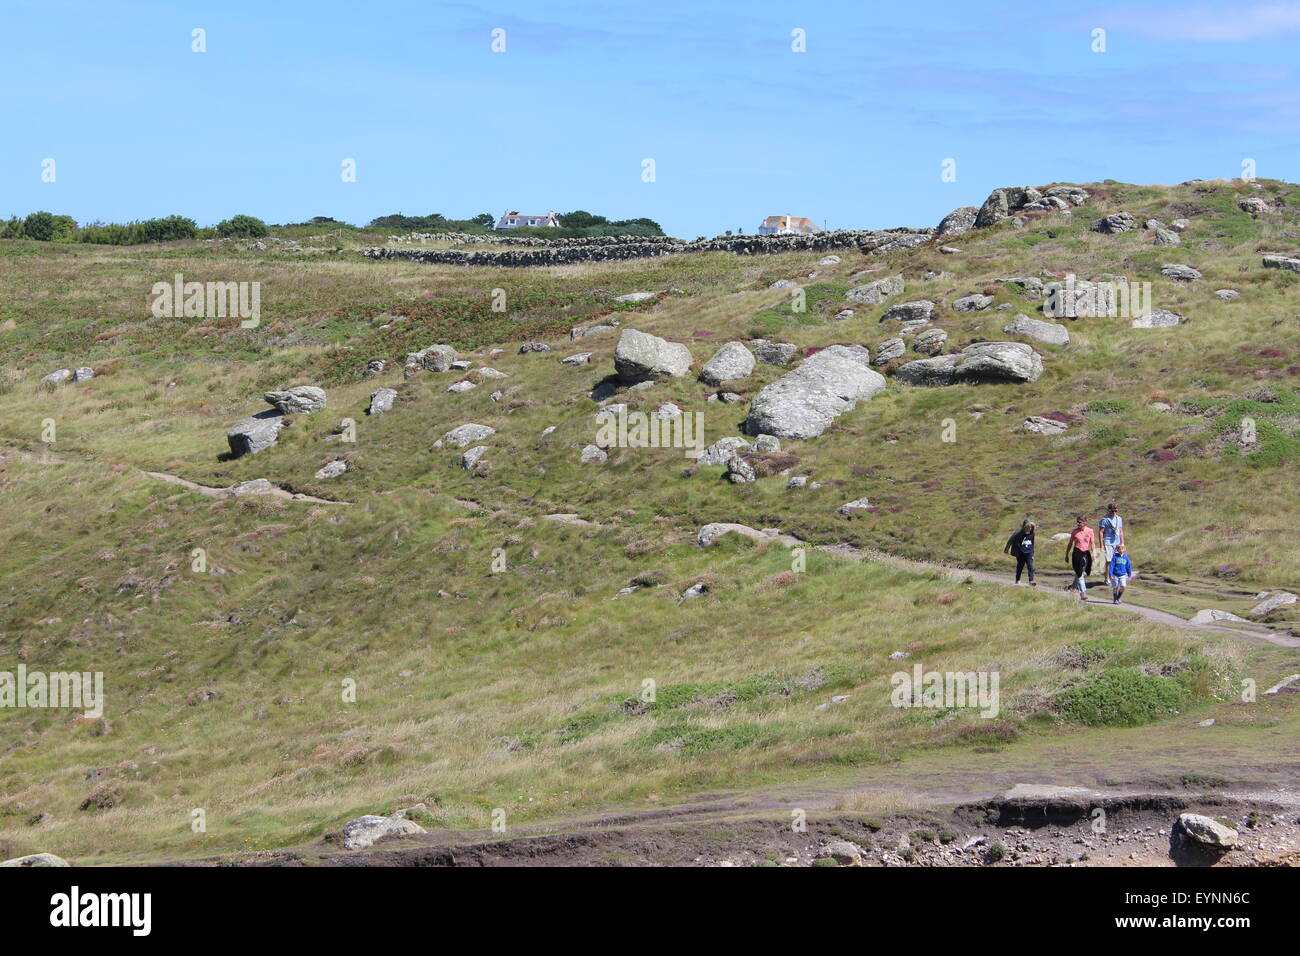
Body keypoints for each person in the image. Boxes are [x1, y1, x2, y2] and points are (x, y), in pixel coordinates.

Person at [1065, 514, 1095, 601]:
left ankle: (1073, 587)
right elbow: (1070, 543)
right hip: (1077, 553)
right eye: (1077, 522)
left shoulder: (1090, 531)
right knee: (1080, 573)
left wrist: (1094, 553)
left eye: (1080, 522)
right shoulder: (1075, 531)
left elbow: (1092, 543)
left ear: (1085, 522)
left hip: (1086, 553)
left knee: (1082, 572)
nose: (1078, 524)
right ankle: (1083, 592)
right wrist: (1067, 555)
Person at [1004, 519, 1037, 585]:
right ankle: (1018, 580)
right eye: (1028, 527)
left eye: (1030, 527)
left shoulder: (1032, 534)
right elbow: (1010, 540)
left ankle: (1031, 580)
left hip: (1029, 553)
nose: (1029, 528)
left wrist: (1032, 553)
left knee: (1030, 566)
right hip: (1020, 553)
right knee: (1020, 567)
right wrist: (1007, 549)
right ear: (1024, 527)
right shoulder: (1018, 534)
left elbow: (1032, 544)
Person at [1098, 503, 1126, 572]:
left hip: (1117, 542)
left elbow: (1121, 531)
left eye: (1115, 511)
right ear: (1109, 510)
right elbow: (1101, 532)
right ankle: (1107, 578)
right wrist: (1102, 545)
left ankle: (1115, 575)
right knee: (1109, 561)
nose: (1114, 513)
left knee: (1118, 560)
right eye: (1112, 511)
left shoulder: (1119, 519)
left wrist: (1122, 543)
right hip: (1108, 542)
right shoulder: (1104, 520)